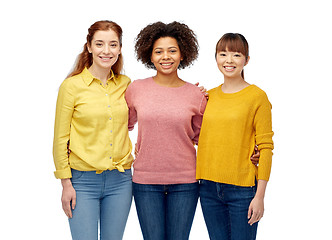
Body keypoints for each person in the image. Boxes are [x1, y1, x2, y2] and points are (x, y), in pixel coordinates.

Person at [125, 21, 207, 240]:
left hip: (186, 182)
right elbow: (121, 126)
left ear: (182, 55)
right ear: (150, 57)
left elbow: (206, 139)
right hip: (145, 182)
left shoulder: (195, 94)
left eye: (172, 51)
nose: (165, 57)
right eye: (158, 51)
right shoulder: (136, 89)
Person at [52, 20, 133, 240]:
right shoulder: (71, 87)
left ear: (119, 48)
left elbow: (142, 113)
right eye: (99, 44)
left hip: (121, 181)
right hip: (82, 182)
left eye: (113, 44)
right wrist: (65, 184)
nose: (106, 51)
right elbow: (60, 139)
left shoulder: (126, 85)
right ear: (89, 46)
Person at [196, 33, 274, 240]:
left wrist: (260, 196)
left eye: (236, 55)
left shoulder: (257, 97)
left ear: (246, 60)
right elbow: (197, 136)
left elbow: (266, 147)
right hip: (208, 188)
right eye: (223, 54)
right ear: (216, 58)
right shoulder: (207, 96)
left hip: (243, 189)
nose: (229, 61)